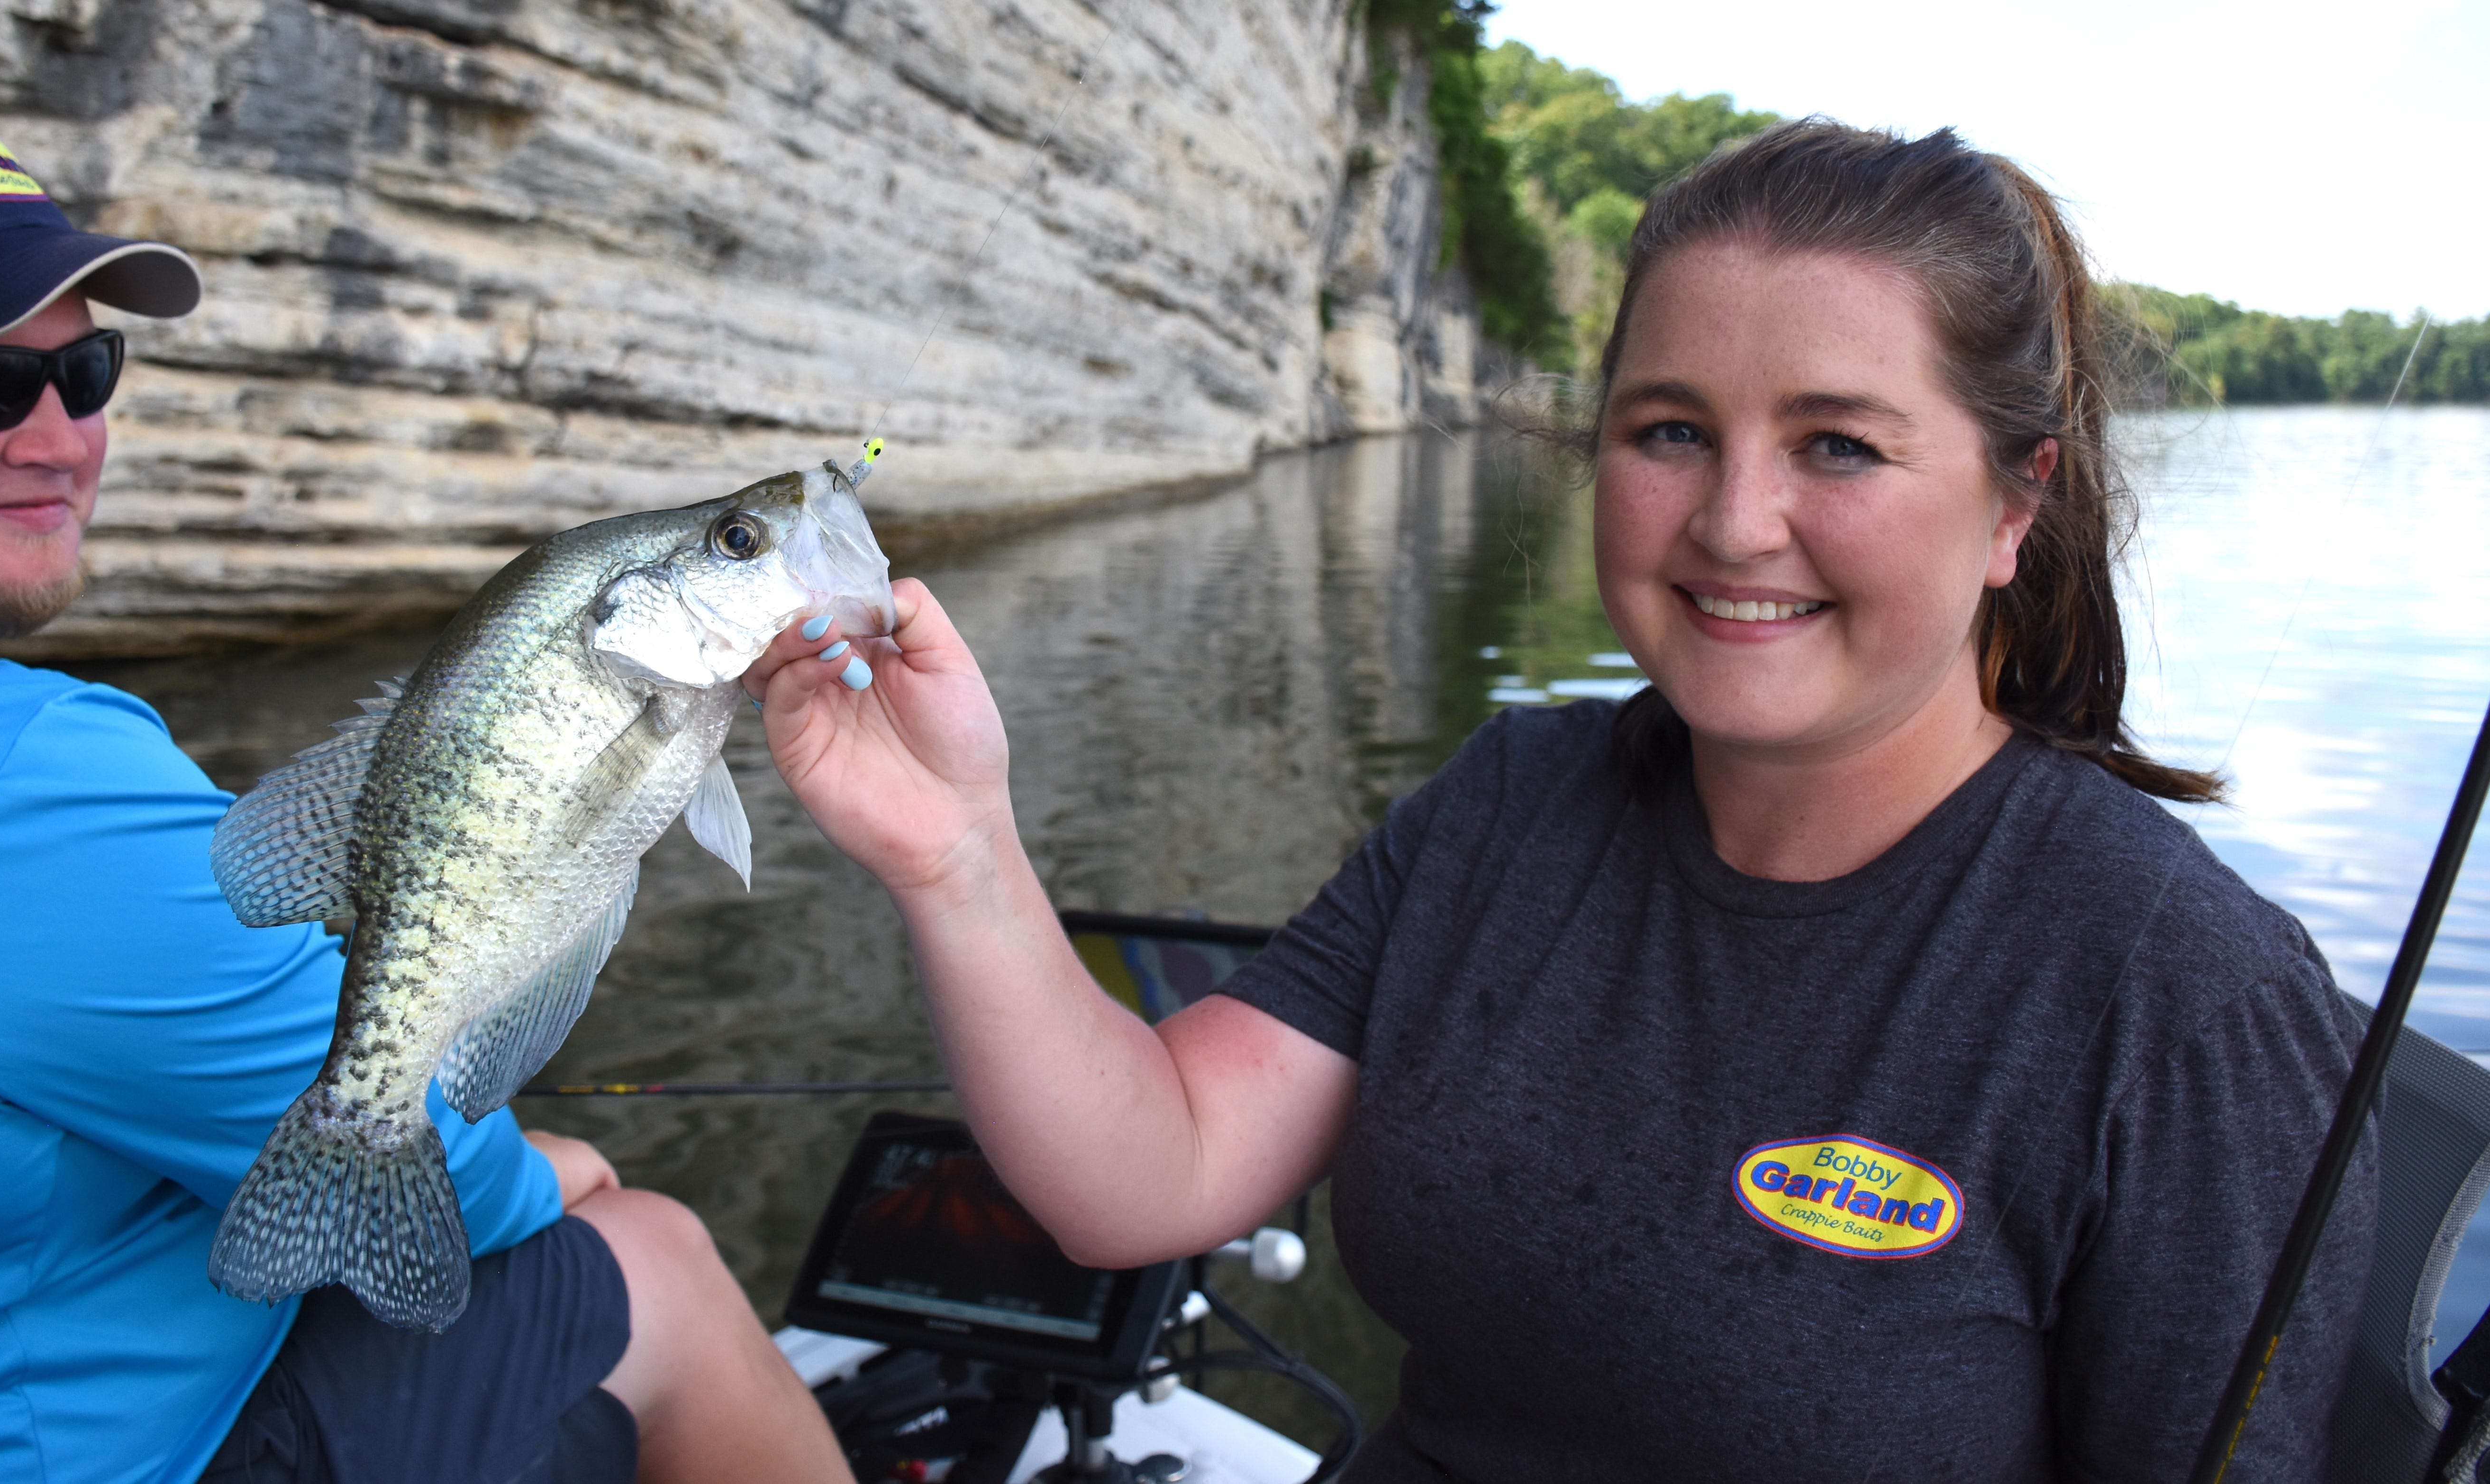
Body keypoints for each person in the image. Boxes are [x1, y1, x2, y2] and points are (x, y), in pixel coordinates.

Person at [744, 121, 2373, 1478]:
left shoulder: (2181, 997)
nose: (1737, 522)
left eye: (1841, 447)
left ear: (2017, 503)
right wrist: (958, 850)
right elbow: (1144, 1172)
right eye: (1672, 430)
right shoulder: (1510, 801)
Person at [0, 95, 848, 1484]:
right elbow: (412, 1152)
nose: (54, 436)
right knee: (651, 1260)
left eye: (86, 370)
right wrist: (551, 1169)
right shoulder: (4, 783)